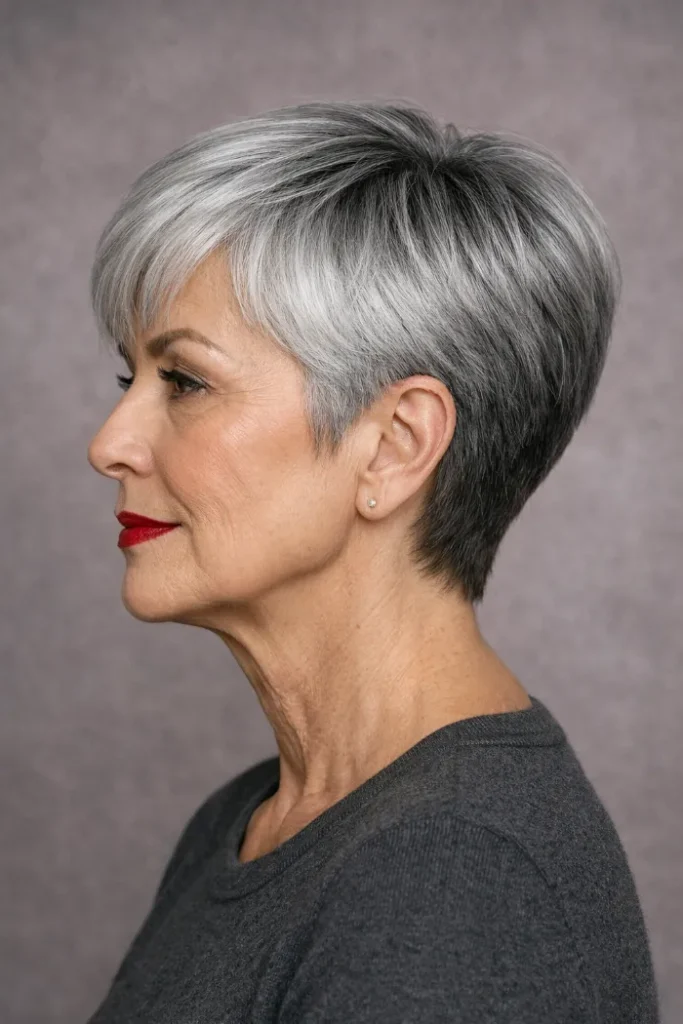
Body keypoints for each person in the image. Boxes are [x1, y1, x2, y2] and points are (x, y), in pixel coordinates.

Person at [85, 99, 659, 1022]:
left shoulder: (456, 886)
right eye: (130, 377)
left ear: (394, 445)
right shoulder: (249, 823)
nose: (109, 444)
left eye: (184, 381)